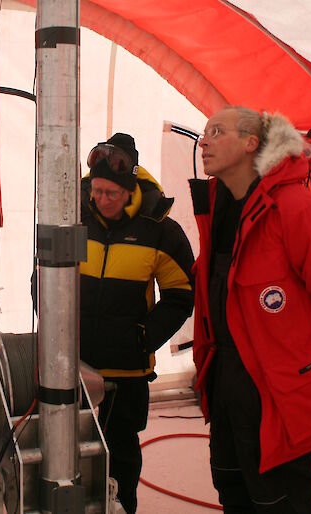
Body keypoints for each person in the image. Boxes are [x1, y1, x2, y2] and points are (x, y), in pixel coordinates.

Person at [190, 106, 311, 513]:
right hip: (227, 376)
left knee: (282, 498)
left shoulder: (295, 208)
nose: (204, 141)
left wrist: (302, 351)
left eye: (217, 131)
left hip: (277, 385)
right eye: (204, 132)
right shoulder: (217, 209)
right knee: (231, 485)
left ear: (251, 143)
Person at [80, 133, 195, 513]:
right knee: (68, 450)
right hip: (72, 363)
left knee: (120, 455)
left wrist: (144, 337)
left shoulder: (159, 229)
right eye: (96, 190)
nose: (102, 200)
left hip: (126, 370)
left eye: (112, 192)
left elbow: (181, 293)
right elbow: (43, 274)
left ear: (130, 190)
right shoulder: (75, 218)